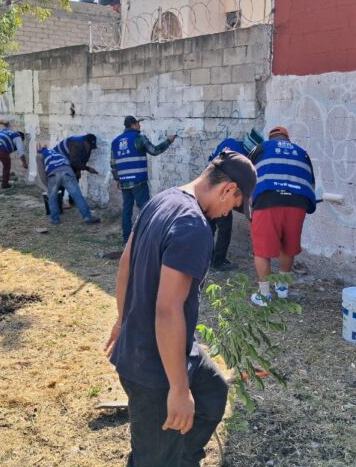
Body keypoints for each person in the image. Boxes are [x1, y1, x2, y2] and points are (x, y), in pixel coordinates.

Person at [106, 150, 257, 467]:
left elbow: (125, 265)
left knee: (212, 392)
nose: (228, 213)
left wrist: (123, 321)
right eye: (234, 205)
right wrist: (177, 388)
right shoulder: (194, 227)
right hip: (152, 368)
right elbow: (168, 310)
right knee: (153, 459)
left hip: (162, 348)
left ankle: (182, 458)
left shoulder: (163, 199)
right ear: (228, 189)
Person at [249, 126, 316, 307]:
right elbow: (311, 182)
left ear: (271, 138)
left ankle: (264, 296)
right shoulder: (302, 152)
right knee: (288, 245)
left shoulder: (261, 148)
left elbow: (247, 175)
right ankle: (283, 290)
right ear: (287, 139)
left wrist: (250, 203)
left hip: (267, 199)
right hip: (298, 202)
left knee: (262, 249)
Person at [111, 116, 178, 243]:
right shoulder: (139, 138)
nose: (140, 126)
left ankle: (127, 240)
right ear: (133, 125)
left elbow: (113, 164)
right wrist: (168, 141)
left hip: (125, 181)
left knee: (127, 210)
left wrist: (117, 179)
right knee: (145, 209)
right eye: (138, 123)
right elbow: (154, 150)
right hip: (138, 181)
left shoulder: (115, 142)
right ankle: (146, 239)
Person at [207, 129, 264, 272]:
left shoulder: (229, 142)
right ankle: (218, 262)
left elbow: (211, 159)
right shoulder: (244, 158)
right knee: (224, 227)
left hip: (208, 187)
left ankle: (206, 257)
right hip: (221, 193)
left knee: (209, 225)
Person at [37, 143, 100, 225]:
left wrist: (47, 186)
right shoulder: (56, 152)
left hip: (54, 174)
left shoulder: (39, 155)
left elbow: (41, 172)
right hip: (68, 171)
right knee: (77, 196)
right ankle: (87, 217)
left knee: (52, 197)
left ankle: (55, 219)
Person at [54, 133, 99, 210]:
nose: (90, 149)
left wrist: (79, 170)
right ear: (85, 142)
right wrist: (87, 168)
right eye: (89, 146)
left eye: (92, 147)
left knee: (75, 177)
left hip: (69, 159)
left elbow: (84, 159)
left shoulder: (87, 147)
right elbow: (74, 161)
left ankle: (73, 200)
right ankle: (58, 203)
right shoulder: (76, 144)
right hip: (59, 158)